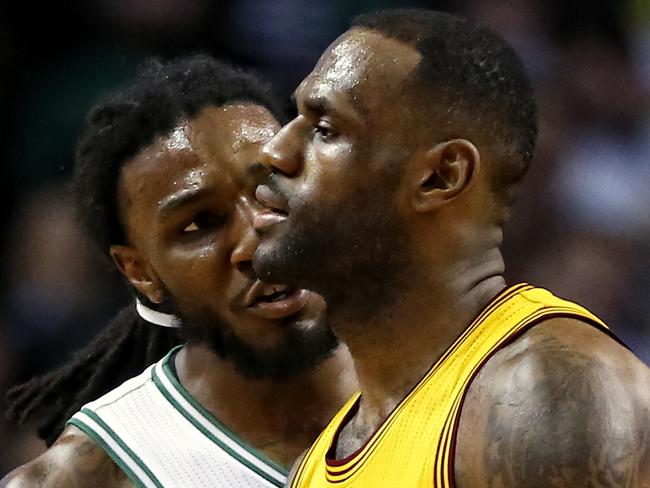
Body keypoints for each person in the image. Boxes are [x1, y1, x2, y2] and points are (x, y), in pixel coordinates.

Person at [251, 9, 650, 488]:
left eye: (325, 129)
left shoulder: (544, 397)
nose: (274, 151)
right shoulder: (317, 462)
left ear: (440, 176)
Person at [1, 55, 356, 488]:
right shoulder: (87, 478)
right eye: (198, 224)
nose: (255, 239)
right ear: (140, 272)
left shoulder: (447, 367)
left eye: (270, 185)